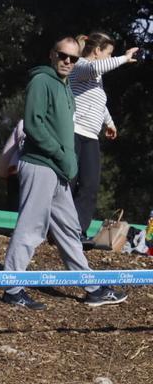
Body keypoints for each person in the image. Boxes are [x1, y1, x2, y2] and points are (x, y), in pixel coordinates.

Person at [0, 35, 127, 309]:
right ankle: (11, 289)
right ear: (51, 55)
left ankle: (93, 288)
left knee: (69, 229)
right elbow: (34, 125)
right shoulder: (42, 81)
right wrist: (61, 154)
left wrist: (68, 160)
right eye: (63, 56)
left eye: (72, 58)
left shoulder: (66, 86)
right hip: (39, 165)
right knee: (31, 228)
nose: (67, 61)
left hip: (58, 171)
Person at [69, 32, 140, 241]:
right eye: (109, 54)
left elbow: (99, 100)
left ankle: (78, 231)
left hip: (91, 136)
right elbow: (95, 67)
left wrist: (109, 122)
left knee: (90, 185)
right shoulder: (81, 66)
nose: (110, 58)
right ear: (98, 51)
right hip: (73, 131)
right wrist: (124, 59)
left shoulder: (96, 78)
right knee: (69, 183)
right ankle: (57, 228)